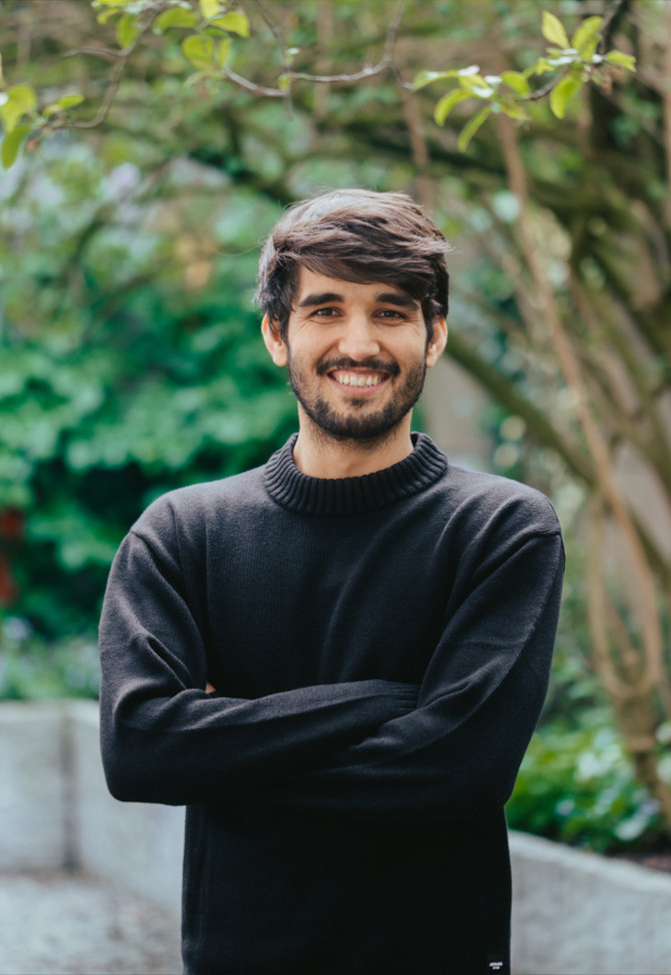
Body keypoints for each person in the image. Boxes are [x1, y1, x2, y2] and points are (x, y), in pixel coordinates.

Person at [98, 188, 565, 975]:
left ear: (435, 335)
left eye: (390, 312)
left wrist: (227, 742)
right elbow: (142, 750)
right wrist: (389, 701)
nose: (360, 342)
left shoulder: (501, 529)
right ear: (277, 335)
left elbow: (460, 771)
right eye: (325, 310)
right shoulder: (184, 535)